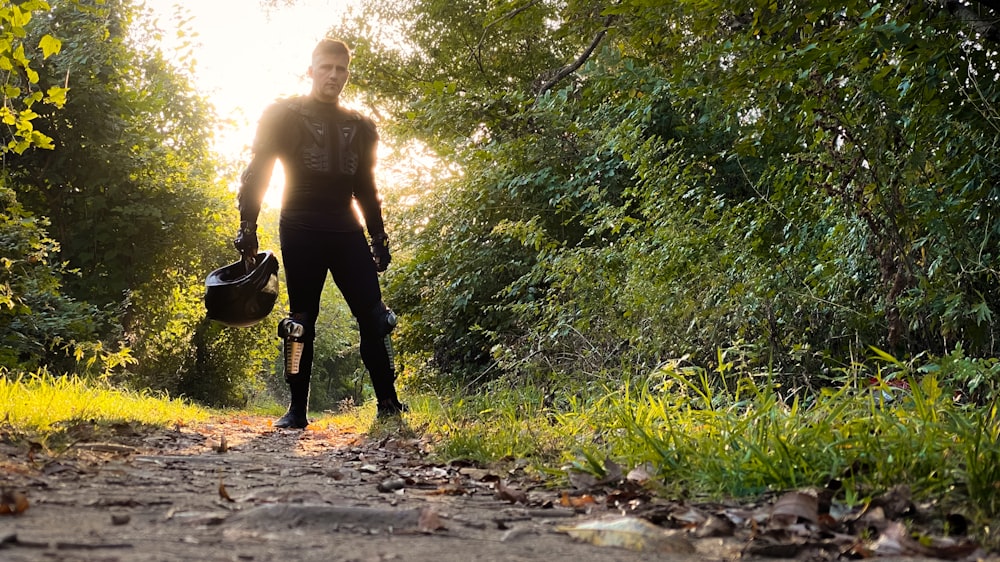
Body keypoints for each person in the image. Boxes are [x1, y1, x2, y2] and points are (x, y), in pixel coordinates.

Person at [233, 38, 406, 429]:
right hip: (300, 226)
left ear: (347, 73)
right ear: (311, 70)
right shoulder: (282, 114)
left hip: (347, 228)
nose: (333, 75)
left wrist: (379, 239)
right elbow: (259, 172)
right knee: (300, 321)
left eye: (340, 69)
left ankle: (388, 405)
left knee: (374, 317)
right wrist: (247, 225)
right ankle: (296, 411)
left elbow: (366, 186)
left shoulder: (361, 126)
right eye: (326, 67)